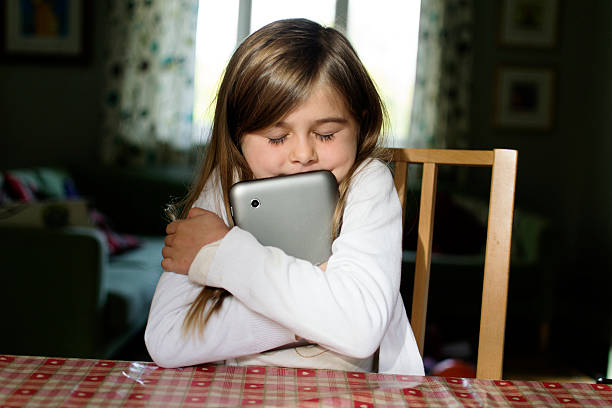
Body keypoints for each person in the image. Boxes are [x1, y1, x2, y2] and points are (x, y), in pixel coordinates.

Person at [145, 18, 424, 376]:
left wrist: (223, 252)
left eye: (325, 134)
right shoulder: (225, 186)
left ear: (360, 122)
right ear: (237, 136)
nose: (302, 154)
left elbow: (357, 330)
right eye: (277, 137)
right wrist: (315, 311)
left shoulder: (367, 183)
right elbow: (166, 339)